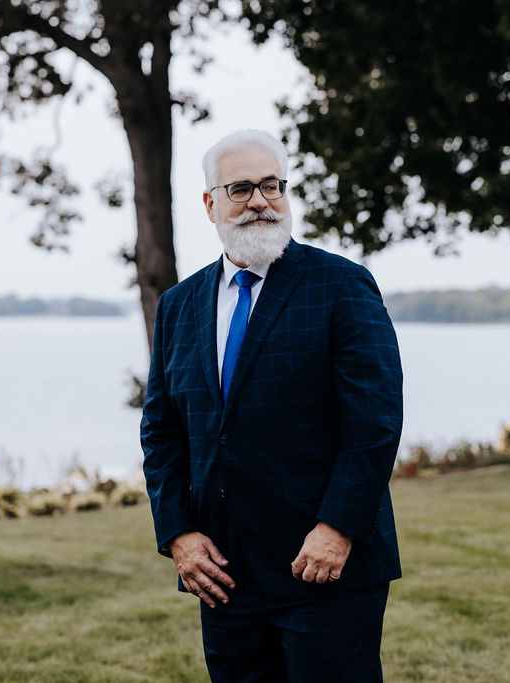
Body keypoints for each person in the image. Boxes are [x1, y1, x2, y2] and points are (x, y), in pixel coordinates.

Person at [141, 129, 404, 682]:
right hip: (225, 575)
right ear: (210, 203)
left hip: (325, 569)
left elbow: (374, 424)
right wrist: (178, 534)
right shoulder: (179, 305)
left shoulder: (342, 286)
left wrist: (338, 528)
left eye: (271, 186)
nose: (260, 200)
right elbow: (162, 432)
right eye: (240, 188)